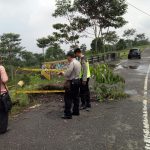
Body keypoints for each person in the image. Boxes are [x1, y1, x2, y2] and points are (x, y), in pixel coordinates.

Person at [59, 51, 81, 119]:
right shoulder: (78, 62)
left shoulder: (72, 63)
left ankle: (68, 114)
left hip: (72, 82)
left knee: (68, 98)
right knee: (76, 97)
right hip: (77, 80)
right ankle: (76, 111)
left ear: (69, 56)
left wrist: (62, 73)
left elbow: (68, 74)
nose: (67, 58)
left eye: (67, 57)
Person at [0, 61, 9, 134]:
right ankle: (2, 129)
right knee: (3, 112)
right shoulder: (1, 67)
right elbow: (5, 79)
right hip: (2, 94)